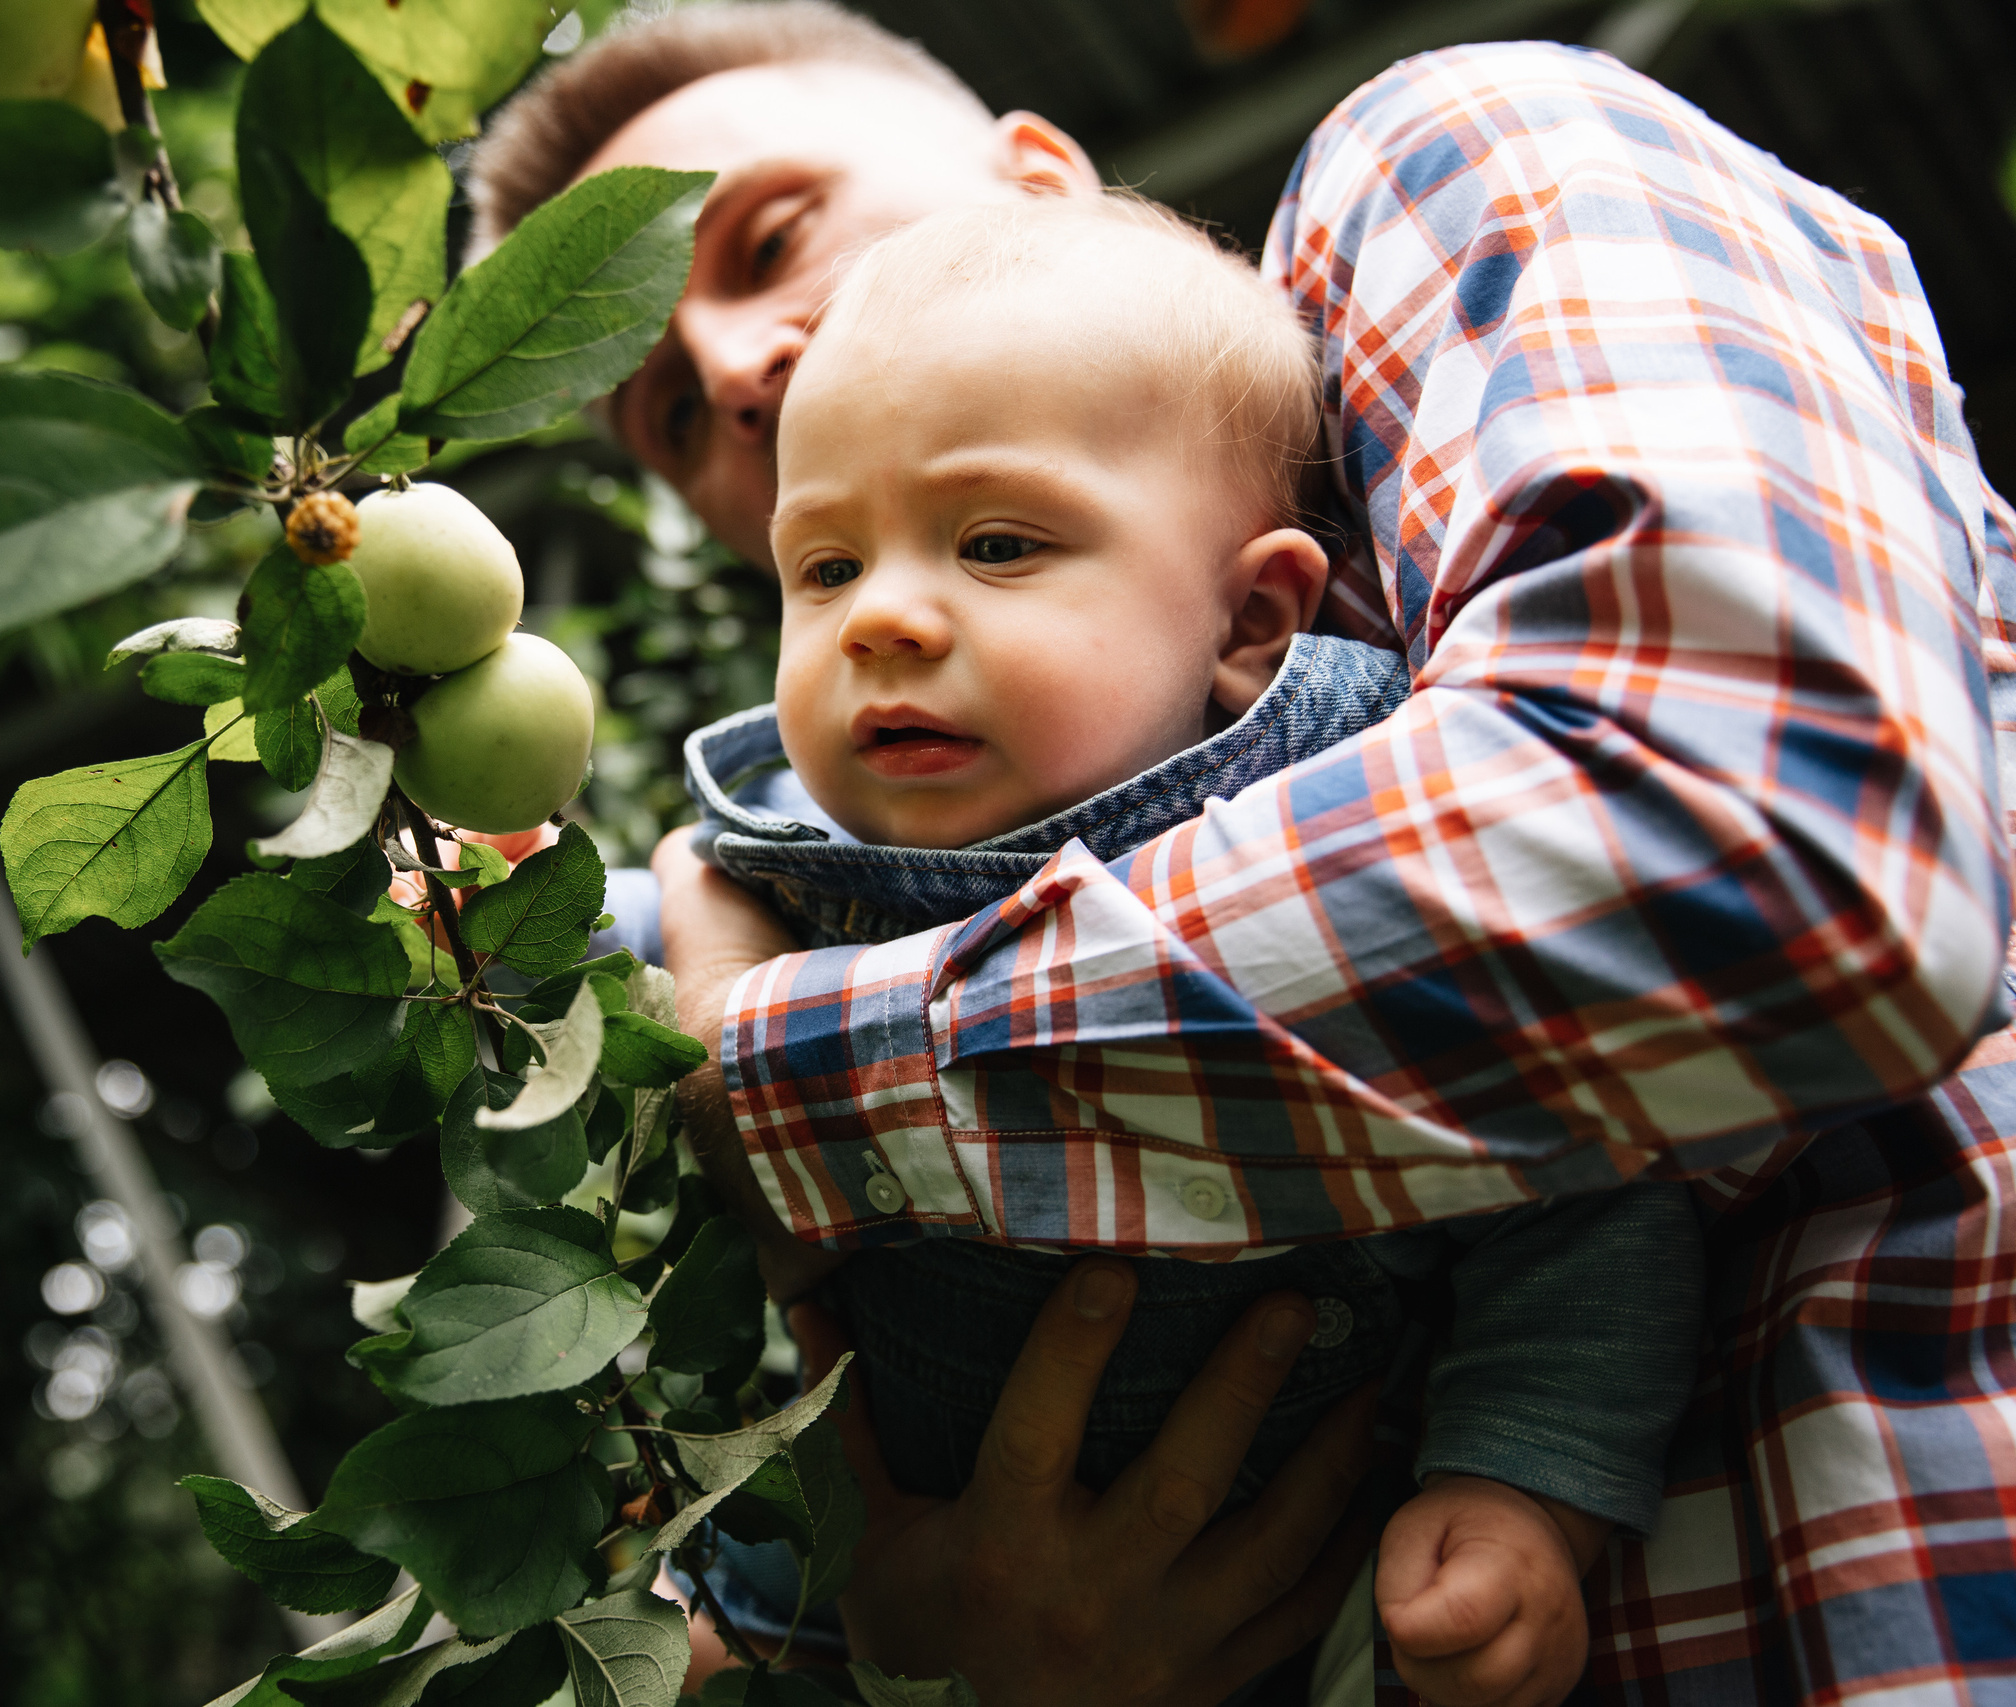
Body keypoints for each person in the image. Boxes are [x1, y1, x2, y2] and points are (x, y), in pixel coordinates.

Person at [473, 6, 2016, 1703]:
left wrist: (755, 1066)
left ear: (1045, 183)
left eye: (772, 236)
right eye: (669, 408)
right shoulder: (839, 830)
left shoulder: (1439, 165)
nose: (738, 368)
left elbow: (1769, 861)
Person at [678, 190, 1704, 1707]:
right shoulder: (786, 873)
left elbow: (1579, 1185)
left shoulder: (1354, 812)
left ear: (1250, 621)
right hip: (897, 1563)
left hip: (1303, 1588)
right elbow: (619, 1018)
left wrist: (1526, 1490)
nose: (878, 621)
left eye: (997, 542)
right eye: (823, 568)